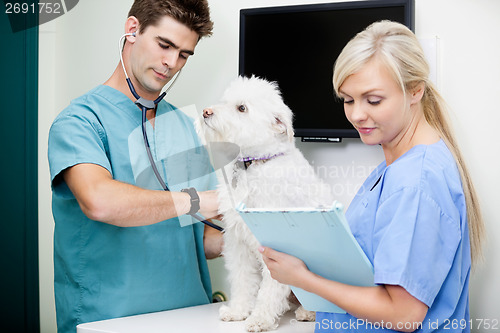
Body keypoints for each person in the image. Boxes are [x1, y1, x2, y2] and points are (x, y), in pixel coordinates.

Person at [259, 20, 484, 332]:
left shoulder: (416, 182)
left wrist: (303, 279)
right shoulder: (397, 165)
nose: (356, 114)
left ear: (415, 90)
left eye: (373, 100)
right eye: (348, 100)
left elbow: (404, 314)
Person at [47, 1, 222, 332]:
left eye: (184, 54)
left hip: (189, 316)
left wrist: (256, 235)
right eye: (164, 45)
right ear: (132, 30)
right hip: (108, 319)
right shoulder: (79, 121)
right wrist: (203, 199)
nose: (172, 63)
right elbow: (99, 201)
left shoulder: (182, 125)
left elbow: (202, 241)